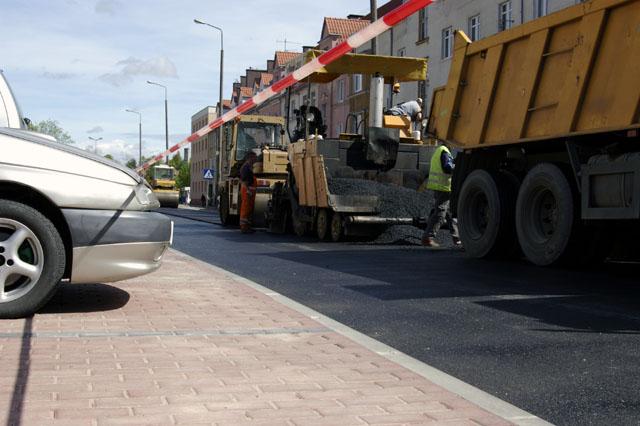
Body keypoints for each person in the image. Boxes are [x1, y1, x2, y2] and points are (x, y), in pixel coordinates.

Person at [422, 141, 461, 248]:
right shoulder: (444, 151)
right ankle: (428, 238)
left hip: (440, 187)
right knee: (440, 213)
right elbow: (447, 168)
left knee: (449, 213)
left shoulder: (439, 151)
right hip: (443, 187)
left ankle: (457, 238)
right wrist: (458, 167)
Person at [239, 152, 258, 234]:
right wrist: (248, 190)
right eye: (254, 158)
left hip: (249, 191)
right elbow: (244, 181)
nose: (255, 159)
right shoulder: (245, 168)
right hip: (247, 191)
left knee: (249, 209)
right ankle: (244, 227)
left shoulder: (249, 167)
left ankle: (248, 226)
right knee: (245, 209)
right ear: (250, 158)